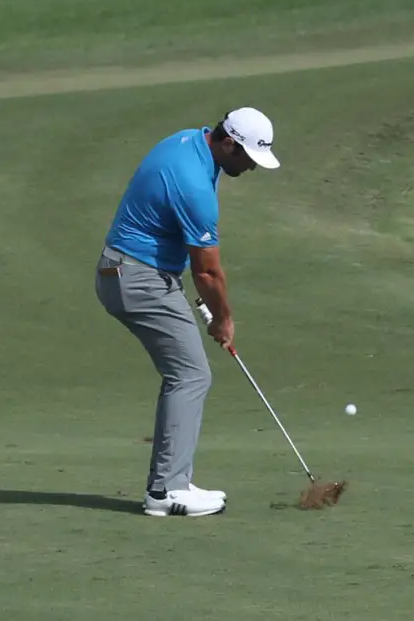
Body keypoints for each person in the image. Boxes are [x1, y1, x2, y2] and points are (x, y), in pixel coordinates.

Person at [94, 107, 280, 517]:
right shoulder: (195, 184)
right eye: (247, 157)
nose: (250, 167)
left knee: (187, 372)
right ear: (228, 143)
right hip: (137, 278)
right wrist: (224, 319)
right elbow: (208, 271)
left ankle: (176, 479)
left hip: (132, 270)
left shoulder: (190, 142)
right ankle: (166, 491)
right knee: (190, 374)